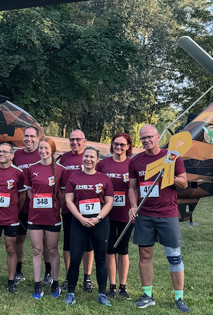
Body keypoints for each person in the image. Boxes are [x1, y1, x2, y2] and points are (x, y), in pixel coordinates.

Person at [128, 125, 189, 313]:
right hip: (145, 214)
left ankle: (179, 298)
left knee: (174, 256)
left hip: (167, 214)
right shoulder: (135, 161)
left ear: (157, 137)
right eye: (143, 138)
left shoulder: (172, 156)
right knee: (145, 255)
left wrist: (168, 176)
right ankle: (147, 295)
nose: (146, 140)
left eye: (149, 137)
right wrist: (133, 206)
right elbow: (132, 187)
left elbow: (184, 183)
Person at [64, 146, 114, 306]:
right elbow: (69, 201)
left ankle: (102, 294)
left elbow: (109, 202)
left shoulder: (104, 178)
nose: (88, 159)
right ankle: (70, 292)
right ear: (82, 158)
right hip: (79, 223)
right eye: (86, 156)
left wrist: (98, 218)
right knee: (75, 258)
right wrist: (80, 218)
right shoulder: (73, 177)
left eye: (92, 157)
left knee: (101, 259)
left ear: (97, 159)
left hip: (100, 223)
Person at [24, 137, 67, 299]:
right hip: (35, 216)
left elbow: (63, 194)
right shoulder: (31, 169)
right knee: (37, 250)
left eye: (46, 148)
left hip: (52, 217)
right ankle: (37, 285)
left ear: (52, 150)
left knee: (53, 250)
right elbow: (29, 191)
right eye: (40, 148)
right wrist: (37, 204)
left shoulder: (61, 170)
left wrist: (56, 206)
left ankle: (55, 283)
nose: (43, 151)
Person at [0, 143, 26, 295]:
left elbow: (22, 195)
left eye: (4, 152)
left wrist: (14, 209)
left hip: (11, 218)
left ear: (12, 155)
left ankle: (11, 282)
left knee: (11, 248)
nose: (1, 154)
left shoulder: (18, 173)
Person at [97, 133, 133, 299]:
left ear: (128, 146)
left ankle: (122, 287)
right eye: (116, 144)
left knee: (123, 250)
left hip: (126, 213)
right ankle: (112, 286)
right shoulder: (103, 164)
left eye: (122, 144)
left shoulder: (132, 164)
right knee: (110, 249)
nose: (118, 147)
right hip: (107, 214)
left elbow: (137, 188)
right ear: (112, 145)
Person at [58, 129, 95, 292]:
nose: (75, 142)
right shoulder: (64, 158)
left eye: (78, 139)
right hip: (69, 208)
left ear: (84, 141)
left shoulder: (90, 156)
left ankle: (87, 278)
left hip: (88, 207)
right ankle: (68, 276)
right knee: (68, 242)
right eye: (72, 140)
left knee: (88, 243)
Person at [12, 126, 40, 284]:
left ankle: (48, 273)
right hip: (21, 205)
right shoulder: (17, 155)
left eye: (32, 136)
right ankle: (18, 271)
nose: (29, 139)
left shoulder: (42, 153)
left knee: (43, 241)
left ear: (37, 138)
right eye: (26, 136)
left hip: (40, 207)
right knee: (19, 239)